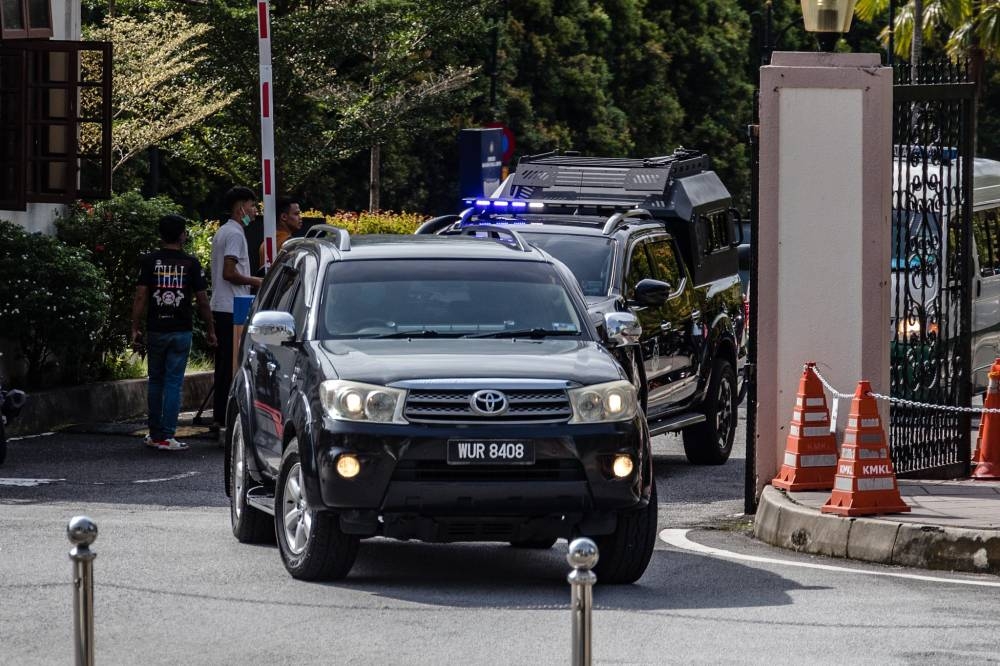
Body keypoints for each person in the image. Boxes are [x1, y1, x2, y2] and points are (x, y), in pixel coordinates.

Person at [131, 214, 217, 451]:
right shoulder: (190, 263)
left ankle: (154, 433)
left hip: (156, 328)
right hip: (181, 329)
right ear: (183, 235)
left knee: (155, 381)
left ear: (160, 235)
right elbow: (202, 300)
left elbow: (140, 296)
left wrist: (135, 327)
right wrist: (210, 329)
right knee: (173, 383)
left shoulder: (149, 261)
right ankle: (168, 436)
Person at [210, 186, 263, 430]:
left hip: (223, 306)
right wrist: (257, 281)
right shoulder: (234, 234)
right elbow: (229, 272)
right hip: (232, 308)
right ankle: (224, 418)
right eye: (252, 206)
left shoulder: (224, 231)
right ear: (240, 207)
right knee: (231, 366)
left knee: (223, 366)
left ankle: (220, 416)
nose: (254, 212)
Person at [259, 196, 303, 267]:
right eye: (296, 214)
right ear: (284, 217)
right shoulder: (289, 243)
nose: (300, 217)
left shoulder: (264, 244)